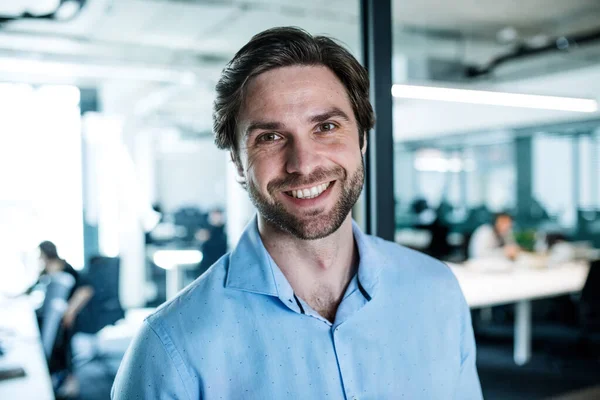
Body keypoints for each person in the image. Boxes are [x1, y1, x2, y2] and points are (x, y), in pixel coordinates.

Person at [112, 27, 482, 399]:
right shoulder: (170, 347)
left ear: (363, 139)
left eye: (326, 127)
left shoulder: (437, 292)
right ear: (238, 164)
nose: (303, 165)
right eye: (270, 137)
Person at [35, 241, 94, 397]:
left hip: (71, 312)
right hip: (56, 314)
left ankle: (70, 380)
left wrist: (70, 311)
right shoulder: (46, 270)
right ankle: (53, 373)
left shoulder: (66, 267)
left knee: (62, 338)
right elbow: (33, 287)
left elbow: (86, 290)